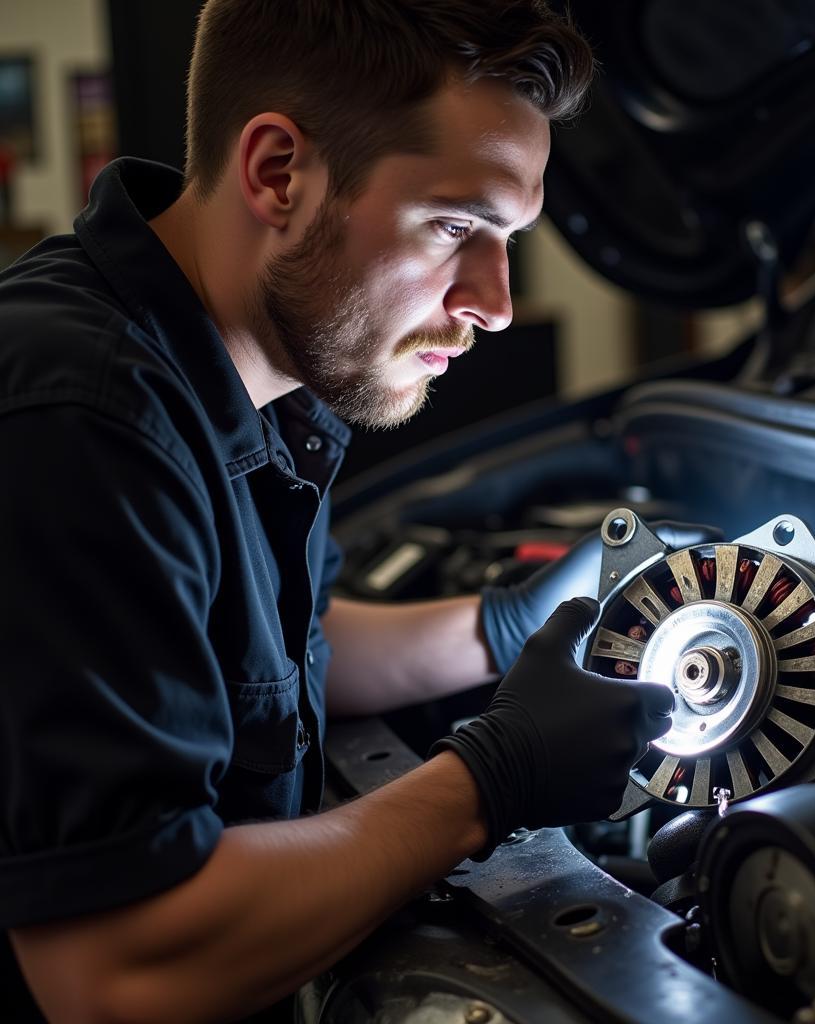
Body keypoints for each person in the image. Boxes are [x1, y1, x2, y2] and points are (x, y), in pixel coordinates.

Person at [0, 2, 680, 1021]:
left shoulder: (247, 369)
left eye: (510, 239)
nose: (494, 301)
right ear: (278, 172)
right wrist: (490, 778)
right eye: (457, 226)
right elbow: (114, 971)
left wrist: (512, 622)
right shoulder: (80, 418)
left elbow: (271, 649)